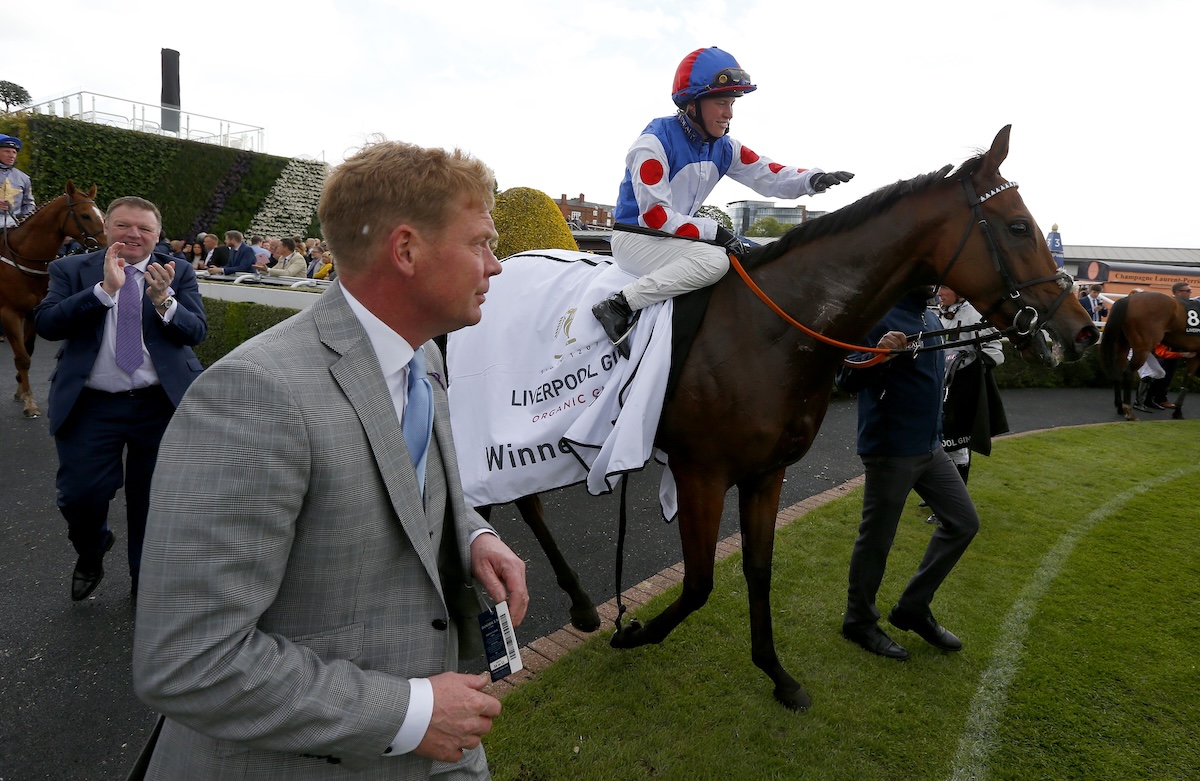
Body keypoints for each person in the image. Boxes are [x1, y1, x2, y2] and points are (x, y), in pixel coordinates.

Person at [133, 140, 529, 779]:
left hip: (437, 745)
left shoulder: (423, 355)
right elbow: (188, 659)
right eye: (480, 243)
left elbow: (404, 480)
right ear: (406, 250)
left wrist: (474, 532)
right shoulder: (256, 393)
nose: (497, 265)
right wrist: (408, 710)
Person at [591, 46, 853, 357]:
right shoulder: (653, 143)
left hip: (671, 237)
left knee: (759, 257)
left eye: (731, 104)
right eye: (721, 103)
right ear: (692, 105)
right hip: (636, 237)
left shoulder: (723, 146)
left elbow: (767, 173)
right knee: (714, 261)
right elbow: (656, 218)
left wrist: (811, 179)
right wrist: (714, 232)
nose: (729, 113)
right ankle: (619, 305)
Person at [33, 196, 207, 604]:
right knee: (81, 496)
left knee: (152, 500)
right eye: (124, 225)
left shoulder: (176, 270)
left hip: (158, 405)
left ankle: (142, 580)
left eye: (144, 228)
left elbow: (195, 331)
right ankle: (92, 549)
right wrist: (103, 290)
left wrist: (164, 301)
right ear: (107, 228)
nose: (134, 234)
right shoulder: (71, 269)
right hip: (92, 404)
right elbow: (47, 324)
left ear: (158, 235)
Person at [835, 288, 980, 661]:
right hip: (890, 448)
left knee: (963, 523)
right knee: (877, 540)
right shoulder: (877, 314)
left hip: (930, 448)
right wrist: (878, 353)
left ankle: (913, 607)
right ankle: (858, 621)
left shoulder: (928, 315)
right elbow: (845, 379)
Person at [926, 287, 1007, 524]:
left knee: (956, 446)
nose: (939, 292)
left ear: (960, 291)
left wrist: (969, 370)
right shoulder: (936, 313)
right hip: (939, 388)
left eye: (945, 288)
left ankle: (951, 505)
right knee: (938, 443)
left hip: (962, 390)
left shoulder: (976, 316)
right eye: (938, 287)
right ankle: (938, 496)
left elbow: (995, 353)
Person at [0, 133, 35, 228]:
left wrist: (25, 221)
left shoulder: (24, 178)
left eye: (14, 152)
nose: (12, 156)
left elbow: (29, 204)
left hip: (14, 226)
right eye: (7, 151)